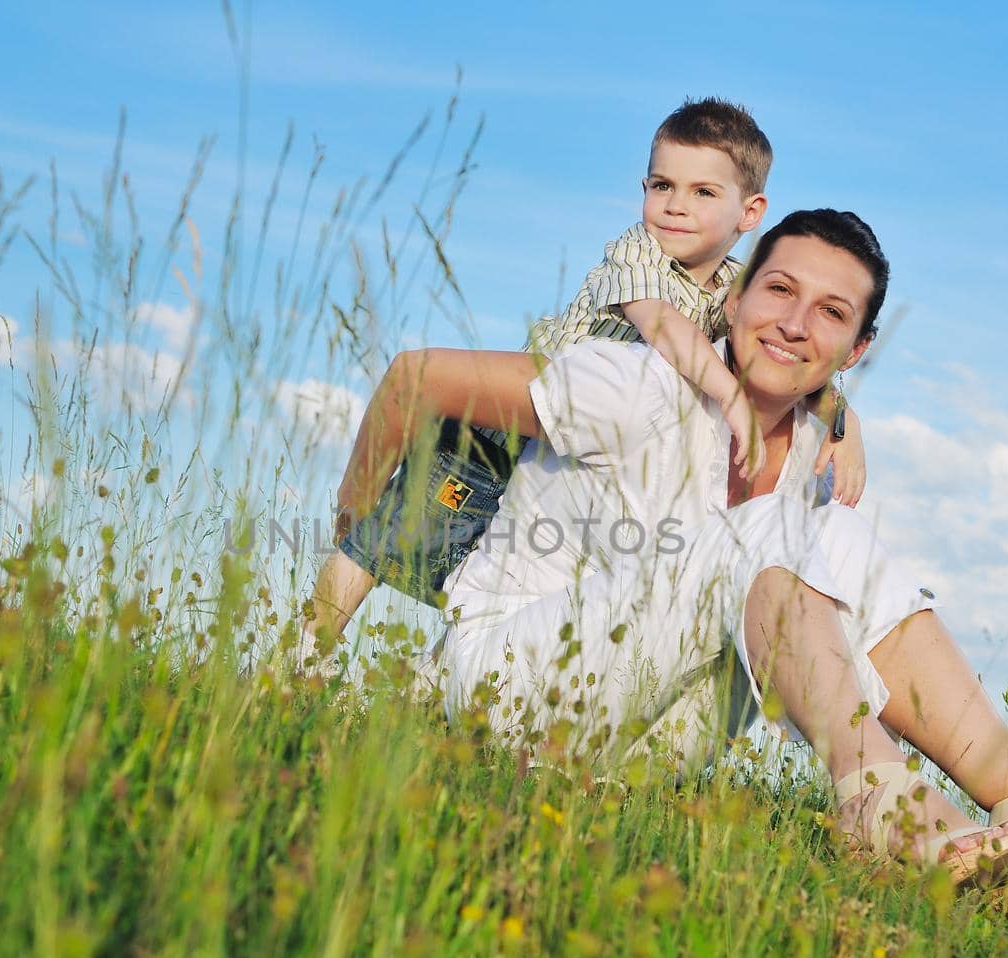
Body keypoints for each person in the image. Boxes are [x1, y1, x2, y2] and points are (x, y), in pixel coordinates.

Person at [329, 208, 1008, 935]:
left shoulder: (820, 443)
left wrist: (836, 420)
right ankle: (881, 803)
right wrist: (354, 511)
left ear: (857, 349)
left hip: (646, 745)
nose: (792, 323)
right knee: (764, 533)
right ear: (737, 295)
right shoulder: (639, 382)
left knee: (837, 539)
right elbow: (415, 376)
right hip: (507, 694)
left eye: (830, 312)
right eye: (777, 290)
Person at [301, 98, 869, 654]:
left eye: (703, 192)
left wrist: (843, 426)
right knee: (383, 540)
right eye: (661, 185)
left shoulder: (736, 286)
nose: (675, 206)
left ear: (750, 212)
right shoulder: (637, 253)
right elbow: (664, 325)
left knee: (495, 579)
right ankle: (302, 655)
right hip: (504, 432)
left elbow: (772, 349)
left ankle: (438, 694)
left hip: (567, 466)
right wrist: (731, 398)